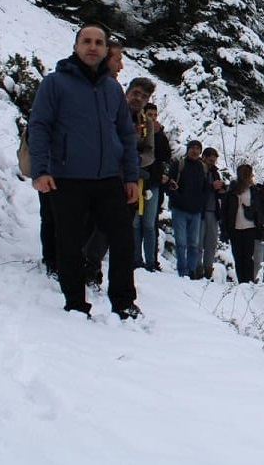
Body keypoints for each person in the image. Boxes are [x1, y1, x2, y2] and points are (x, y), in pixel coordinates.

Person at [27, 22, 140, 320]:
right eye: (87, 41)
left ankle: (123, 302)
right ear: (76, 46)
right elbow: (39, 126)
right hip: (67, 177)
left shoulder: (112, 88)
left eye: (98, 42)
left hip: (108, 178)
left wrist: (131, 176)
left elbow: (126, 135)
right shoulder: (55, 83)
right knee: (69, 242)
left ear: (105, 50)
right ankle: (75, 303)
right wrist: (40, 170)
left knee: (123, 239)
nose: (92, 47)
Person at [126, 79, 159, 272]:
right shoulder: (113, 112)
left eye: (144, 96)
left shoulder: (146, 124)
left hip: (132, 180)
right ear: (128, 92)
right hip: (105, 175)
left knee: (126, 227)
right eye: (136, 93)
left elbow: (150, 152)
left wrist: (136, 160)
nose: (139, 98)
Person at [166, 140, 210, 278]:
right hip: (179, 209)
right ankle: (182, 270)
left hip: (196, 211)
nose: (195, 151)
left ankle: (191, 270)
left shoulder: (203, 168)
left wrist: (201, 202)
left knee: (194, 244)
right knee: (181, 242)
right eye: (193, 148)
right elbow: (170, 185)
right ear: (188, 149)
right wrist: (177, 199)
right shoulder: (179, 165)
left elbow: (205, 188)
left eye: (198, 148)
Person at [143, 103, 172, 271]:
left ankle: (151, 261)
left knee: (149, 223)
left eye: (155, 115)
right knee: (135, 224)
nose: (152, 118)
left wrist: (158, 134)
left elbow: (165, 155)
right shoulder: (136, 129)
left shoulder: (159, 135)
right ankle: (135, 258)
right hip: (136, 179)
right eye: (150, 115)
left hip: (153, 182)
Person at [223, 164, 259, 283]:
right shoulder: (232, 191)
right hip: (235, 227)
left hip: (250, 227)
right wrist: (225, 229)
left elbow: (258, 208)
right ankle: (241, 281)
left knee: (248, 257)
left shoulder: (254, 190)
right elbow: (225, 210)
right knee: (238, 257)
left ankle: (249, 281)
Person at [198, 147, 226, 280]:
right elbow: (196, 188)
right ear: (204, 157)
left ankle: (208, 268)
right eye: (210, 160)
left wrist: (221, 190)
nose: (212, 163)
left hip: (213, 211)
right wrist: (211, 186)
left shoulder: (215, 173)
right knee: (198, 242)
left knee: (211, 243)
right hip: (200, 211)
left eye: (214, 161)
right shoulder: (198, 170)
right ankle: (197, 268)